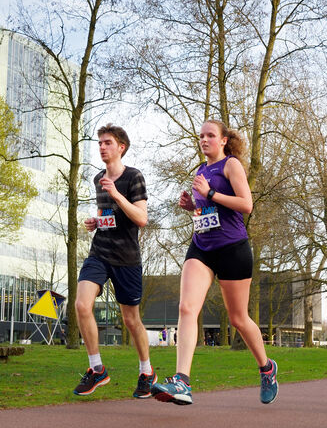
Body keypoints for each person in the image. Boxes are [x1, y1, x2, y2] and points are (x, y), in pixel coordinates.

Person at [150, 120, 278, 406]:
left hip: (233, 249)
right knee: (186, 307)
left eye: (210, 136)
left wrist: (209, 193)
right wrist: (192, 207)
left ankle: (266, 368)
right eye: (201, 136)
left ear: (223, 141)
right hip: (202, 246)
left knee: (238, 319)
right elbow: (207, 212)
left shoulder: (231, 165)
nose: (204, 140)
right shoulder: (201, 170)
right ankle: (182, 380)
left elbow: (246, 205)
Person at [73, 124, 155, 398]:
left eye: (107, 142)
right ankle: (97, 368)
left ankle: (146, 371)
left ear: (121, 147)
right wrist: (96, 221)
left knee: (131, 320)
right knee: (82, 304)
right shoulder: (98, 179)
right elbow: (106, 214)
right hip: (100, 252)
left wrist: (118, 195)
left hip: (127, 258)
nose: (101, 147)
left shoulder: (134, 177)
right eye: (99, 143)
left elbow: (141, 219)